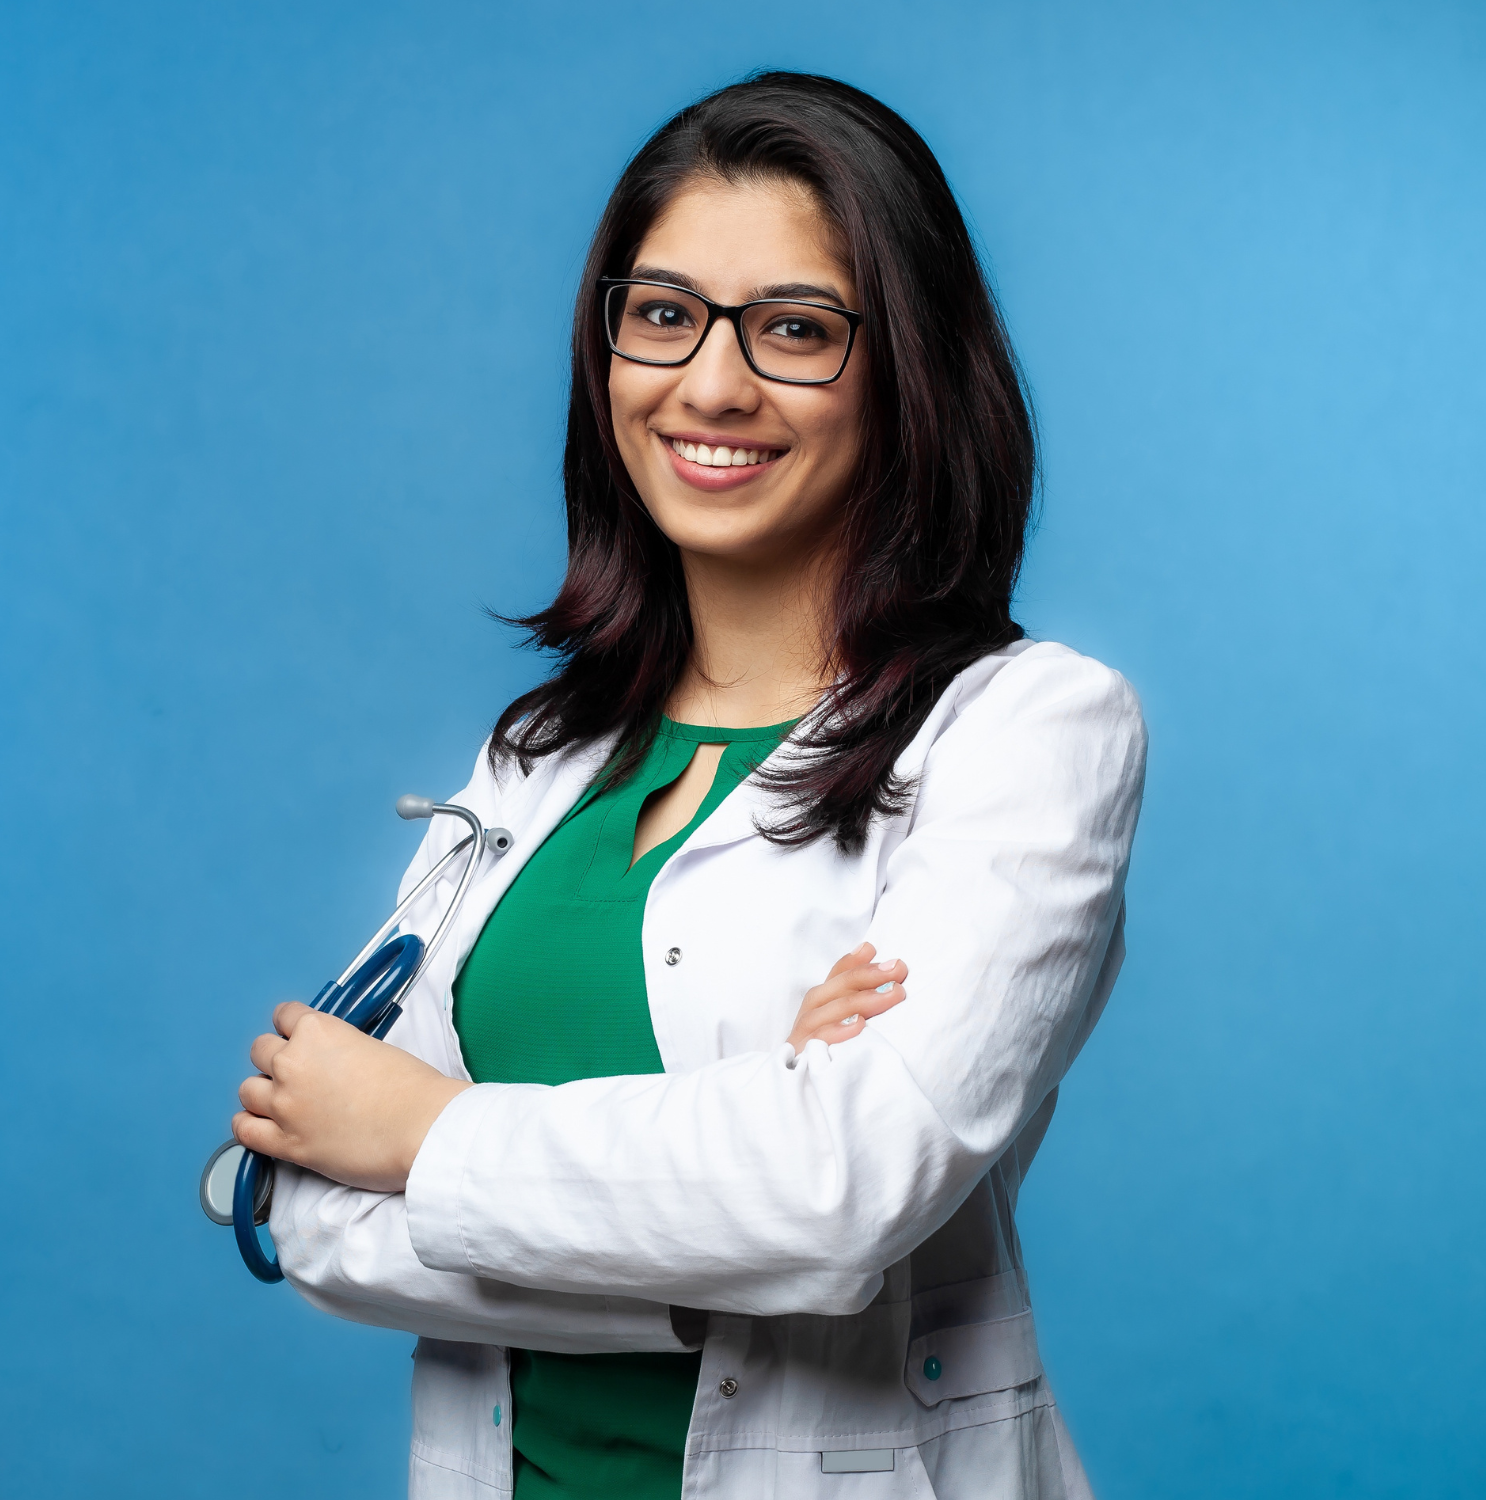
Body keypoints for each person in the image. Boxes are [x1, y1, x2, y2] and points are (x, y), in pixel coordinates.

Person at [233, 71, 1147, 1500]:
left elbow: (841, 1195)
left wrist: (423, 1135)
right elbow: (288, 1203)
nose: (710, 384)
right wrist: (738, 1166)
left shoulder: (1024, 729)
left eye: (793, 330)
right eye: (663, 315)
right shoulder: (538, 758)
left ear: (907, 365)